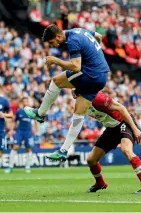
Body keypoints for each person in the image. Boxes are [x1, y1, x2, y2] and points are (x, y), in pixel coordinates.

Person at [24, 24, 110, 161]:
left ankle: (40, 114)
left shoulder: (72, 41)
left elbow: (76, 67)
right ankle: (64, 151)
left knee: (56, 81)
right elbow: (98, 37)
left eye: (52, 42)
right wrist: (94, 56)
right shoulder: (79, 31)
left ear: (58, 35)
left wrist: (55, 60)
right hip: (102, 76)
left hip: (91, 73)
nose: (52, 45)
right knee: (79, 113)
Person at [73, 89, 141, 194]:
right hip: (111, 129)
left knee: (126, 150)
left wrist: (135, 128)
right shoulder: (80, 105)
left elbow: (122, 108)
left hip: (123, 123)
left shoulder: (98, 98)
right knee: (91, 160)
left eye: (74, 90)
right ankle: (100, 183)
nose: (72, 93)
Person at [5, 97, 37, 173]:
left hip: (28, 132)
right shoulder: (19, 111)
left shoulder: (31, 111)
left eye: (27, 101)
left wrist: (36, 130)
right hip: (20, 131)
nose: (25, 103)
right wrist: (11, 130)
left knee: (28, 148)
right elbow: (14, 121)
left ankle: (28, 166)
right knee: (15, 147)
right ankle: (10, 167)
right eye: (24, 101)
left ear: (28, 103)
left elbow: (35, 121)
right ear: (22, 103)